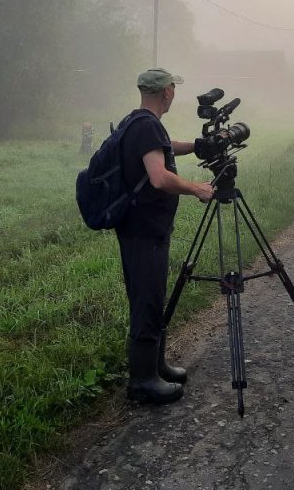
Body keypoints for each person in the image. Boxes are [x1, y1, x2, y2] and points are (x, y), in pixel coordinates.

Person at [115, 67, 214, 404]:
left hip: (141, 228)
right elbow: (158, 177)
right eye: (173, 88)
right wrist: (196, 188)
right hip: (143, 231)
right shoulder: (146, 126)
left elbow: (163, 146)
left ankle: (156, 367)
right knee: (147, 298)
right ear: (167, 92)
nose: (175, 93)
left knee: (151, 295)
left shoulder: (138, 122)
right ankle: (143, 381)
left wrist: (199, 146)